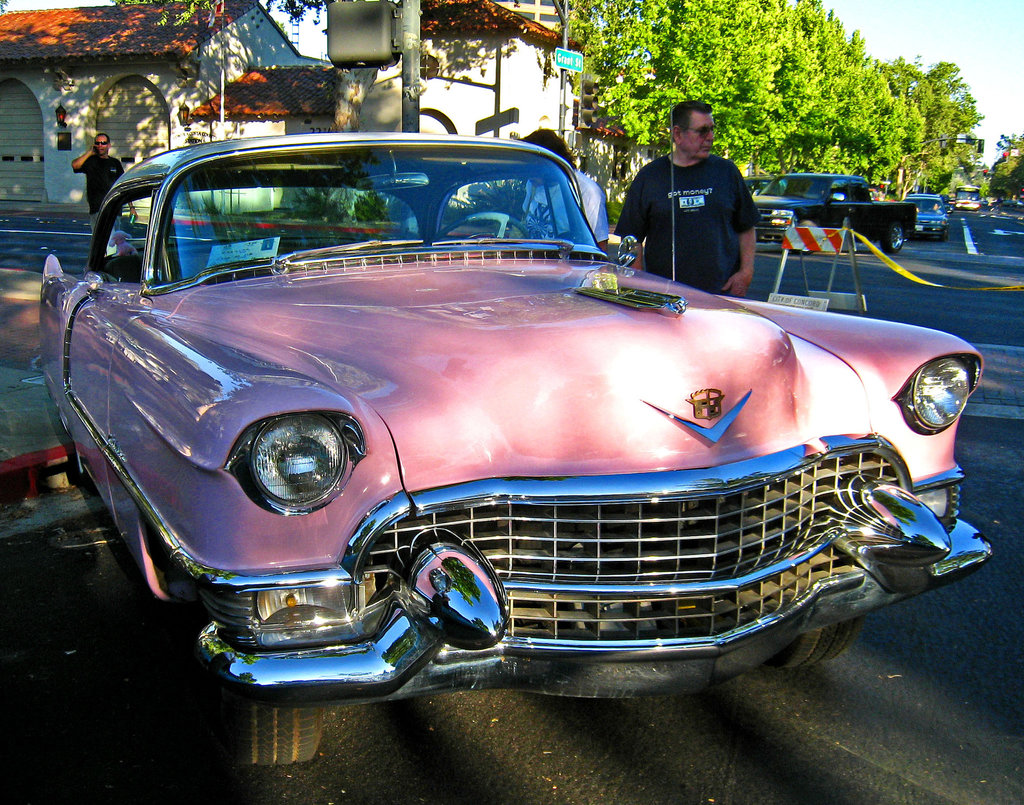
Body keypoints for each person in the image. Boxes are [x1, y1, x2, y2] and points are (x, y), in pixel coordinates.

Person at [615, 101, 759, 296]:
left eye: (712, 130)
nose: (710, 137)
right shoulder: (650, 177)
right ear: (678, 134)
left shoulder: (727, 172)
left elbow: (746, 227)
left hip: (722, 294)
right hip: (666, 296)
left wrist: (746, 273)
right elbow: (632, 239)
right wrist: (639, 283)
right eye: (702, 131)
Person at [522, 128, 610, 251]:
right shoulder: (533, 184)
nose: (528, 172)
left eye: (533, 164)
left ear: (550, 162)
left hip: (567, 265)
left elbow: (598, 247)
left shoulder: (586, 191)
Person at [71, 133, 124, 231]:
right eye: (97, 143)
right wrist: (90, 152)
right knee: (100, 242)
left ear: (108, 145)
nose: (100, 145)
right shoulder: (90, 161)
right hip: (97, 209)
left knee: (114, 241)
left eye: (103, 143)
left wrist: (132, 207)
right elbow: (75, 165)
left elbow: (122, 184)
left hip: (114, 209)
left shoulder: (115, 163)